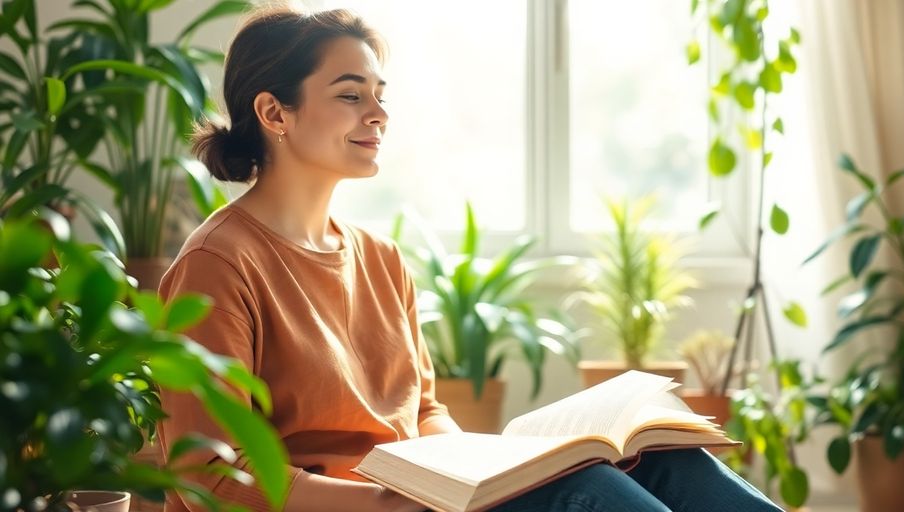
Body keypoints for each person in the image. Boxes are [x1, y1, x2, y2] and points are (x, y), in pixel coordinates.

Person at [157, 5, 782, 512]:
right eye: (350, 95)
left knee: (654, 456)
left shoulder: (381, 258)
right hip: (356, 508)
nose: (378, 114)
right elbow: (208, 475)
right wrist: (383, 504)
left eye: (380, 94)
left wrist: (483, 473)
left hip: (418, 497)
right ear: (274, 112)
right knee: (581, 493)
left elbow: (424, 411)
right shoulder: (219, 263)